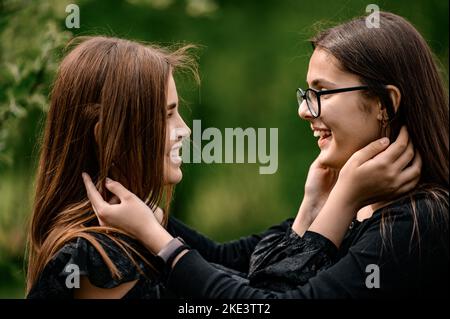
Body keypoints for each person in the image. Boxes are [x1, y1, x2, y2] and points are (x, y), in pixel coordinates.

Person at [81, 11, 448, 298]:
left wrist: (158, 240)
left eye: (323, 92)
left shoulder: (421, 223)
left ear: (386, 103)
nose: (305, 110)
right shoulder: (365, 207)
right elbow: (232, 264)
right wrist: (141, 207)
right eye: (306, 93)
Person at [26, 36, 195, 298]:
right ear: (109, 138)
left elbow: (234, 262)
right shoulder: (100, 262)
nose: (184, 130)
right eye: (167, 115)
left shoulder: (128, 235)